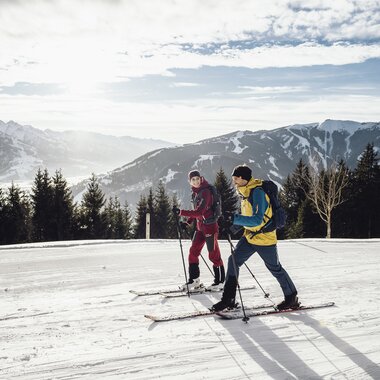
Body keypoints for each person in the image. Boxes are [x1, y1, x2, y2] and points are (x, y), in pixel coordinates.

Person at [211, 164, 299, 311]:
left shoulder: (257, 193)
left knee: (275, 268)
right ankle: (228, 299)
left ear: (242, 178)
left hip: (264, 239)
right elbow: (246, 217)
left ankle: (291, 297)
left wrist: (234, 218)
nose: (234, 182)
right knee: (233, 261)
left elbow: (257, 219)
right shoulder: (245, 192)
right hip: (250, 237)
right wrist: (231, 224)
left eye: (235, 179)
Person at [172, 170, 225, 291]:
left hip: (210, 227)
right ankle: (194, 280)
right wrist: (188, 222)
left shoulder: (205, 192)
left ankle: (220, 282)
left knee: (214, 255)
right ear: (189, 182)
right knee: (193, 253)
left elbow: (200, 212)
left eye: (197, 179)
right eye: (193, 180)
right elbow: (197, 211)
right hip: (200, 228)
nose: (195, 181)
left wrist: (180, 212)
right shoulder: (196, 193)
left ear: (201, 178)